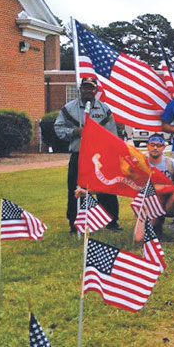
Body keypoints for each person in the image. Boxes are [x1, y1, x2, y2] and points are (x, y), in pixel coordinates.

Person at [54, 77, 121, 232]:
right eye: (85, 88)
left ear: (96, 90)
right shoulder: (69, 109)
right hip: (79, 155)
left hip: (99, 157)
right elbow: (58, 128)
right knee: (76, 190)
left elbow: (112, 134)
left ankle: (111, 221)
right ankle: (75, 224)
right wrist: (74, 132)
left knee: (106, 188)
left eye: (91, 88)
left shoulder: (104, 109)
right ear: (80, 89)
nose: (88, 91)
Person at [143, 134, 174, 235]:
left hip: (169, 202)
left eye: (159, 145)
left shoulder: (171, 163)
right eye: (152, 145)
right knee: (143, 236)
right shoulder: (141, 163)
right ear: (147, 146)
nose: (155, 148)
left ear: (164, 147)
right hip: (150, 202)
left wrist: (165, 188)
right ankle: (155, 223)